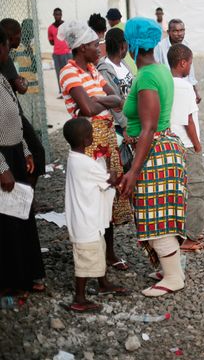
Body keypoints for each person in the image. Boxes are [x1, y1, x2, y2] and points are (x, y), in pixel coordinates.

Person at [119, 17, 187, 297]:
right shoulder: (159, 70)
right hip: (164, 148)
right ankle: (171, 270)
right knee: (161, 212)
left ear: (131, 45)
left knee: (156, 215)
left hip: (154, 152)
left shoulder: (146, 76)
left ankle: (173, 278)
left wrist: (133, 171)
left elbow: (148, 126)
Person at [58, 20, 131, 273]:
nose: (98, 48)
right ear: (80, 48)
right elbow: (86, 110)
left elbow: (118, 100)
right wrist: (103, 102)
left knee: (109, 194)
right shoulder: (69, 72)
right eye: (93, 45)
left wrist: (97, 100)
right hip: (87, 139)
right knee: (93, 197)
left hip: (107, 137)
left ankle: (108, 253)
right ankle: (94, 254)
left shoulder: (92, 69)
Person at [63, 117, 129, 312]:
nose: (93, 136)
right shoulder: (85, 164)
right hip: (85, 223)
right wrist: (109, 163)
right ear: (86, 141)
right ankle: (79, 298)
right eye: (91, 134)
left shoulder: (76, 159)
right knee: (86, 260)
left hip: (88, 220)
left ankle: (103, 284)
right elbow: (111, 179)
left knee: (98, 251)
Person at [0, 26, 45, 297]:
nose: (9, 51)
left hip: (15, 152)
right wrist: (2, 168)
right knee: (7, 224)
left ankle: (24, 276)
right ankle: (10, 281)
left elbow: (14, 118)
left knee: (20, 216)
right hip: (3, 158)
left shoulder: (3, 78)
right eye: (7, 46)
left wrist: (26, 150)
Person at [169, 43, 204, 253]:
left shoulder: (165, 82)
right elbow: (188, 120)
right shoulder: (184, 86)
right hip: (187, 143)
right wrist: (197, 145)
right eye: (190, 63)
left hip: (172, 143)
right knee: (197, 191)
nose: (190, 67)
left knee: (180, 190)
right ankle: (191, 238)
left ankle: (182, 231)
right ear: (183, 63)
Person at [0, 18, 46, 190]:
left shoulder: (7, 55)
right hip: (9, 119)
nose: (20, 39)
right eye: (18, 35)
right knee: (36, 152)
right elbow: (20, 86)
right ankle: (27, 199)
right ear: (10, 38)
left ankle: (24, 201)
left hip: (12, 117)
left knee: (26, 153)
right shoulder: (6, 58)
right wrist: (23, 83)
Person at [154, 18, 201, 104]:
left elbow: (191, 71)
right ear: (168, 32)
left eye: (182, 30)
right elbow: (156, 70)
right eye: (175, 31)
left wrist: (195, 91)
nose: (179, 34)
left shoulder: (186, 45)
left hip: (186, 88)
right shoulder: (160, 47)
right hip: (169, 90)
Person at [96, 28, 133, 136]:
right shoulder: (105, 70)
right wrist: (125, 126)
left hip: (131, 120)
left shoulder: (122, 63)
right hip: (121, 126)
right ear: (122, 46)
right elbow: (113, 102)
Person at [48, 8, 71, 96]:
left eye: (59, 14)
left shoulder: (66, 25)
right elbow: (51, 41)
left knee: (68, 72)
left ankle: (69, 89)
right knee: (59, 73)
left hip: (67, 53)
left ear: (61, 15)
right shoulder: (50, 28)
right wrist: (58, 42)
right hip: (57, 54)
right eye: (56, 14)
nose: (57, 16)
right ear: (53, 15)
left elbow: (70, 37)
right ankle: (61, 91)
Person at [106, 8, 137, 75]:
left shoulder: (112, 33)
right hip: (135, 66)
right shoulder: (128, 27)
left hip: (123, 68)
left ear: (110, 20)